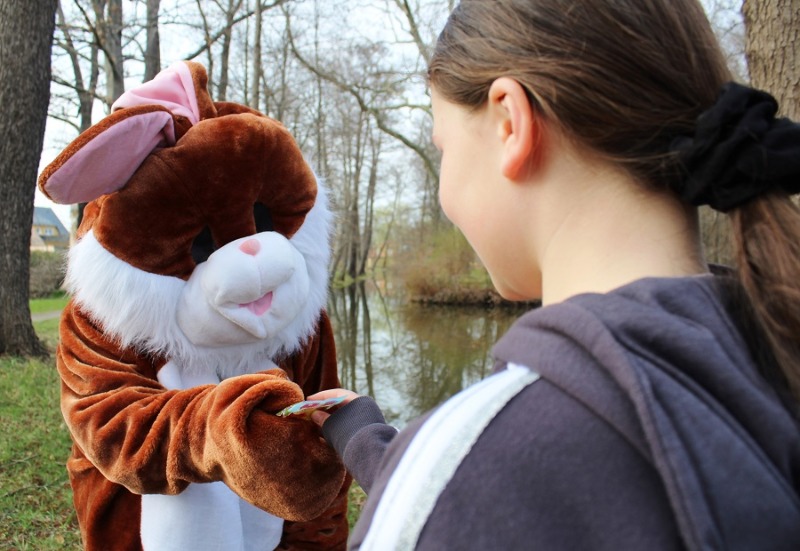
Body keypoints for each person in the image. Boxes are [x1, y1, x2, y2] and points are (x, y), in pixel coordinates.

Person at [308, 1, 800, 549]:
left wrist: (430, 476)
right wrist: (396, 459)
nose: (445, 192)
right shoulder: (772, 360)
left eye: (442, 146)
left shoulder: (472, 474)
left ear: (510, 121)